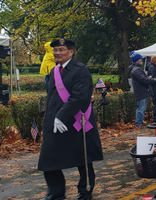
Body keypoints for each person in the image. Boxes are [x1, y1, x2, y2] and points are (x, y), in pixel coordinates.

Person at [38, 38, 103, 200]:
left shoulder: (80, 70)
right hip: (55, 122)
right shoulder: (54, 71)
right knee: (48, 157)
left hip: (76, 121)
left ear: (71, 52)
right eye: (55, 51)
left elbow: (80, 97)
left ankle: (85, 190)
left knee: (82, 157)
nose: (57, 53)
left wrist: (62, 116)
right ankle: (55, 192)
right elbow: (52, 97)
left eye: (61, 50)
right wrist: (50, 118)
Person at [129, 51, 156, 129]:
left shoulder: (135, 69)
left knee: (140, 108)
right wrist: (151, 80)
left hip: (140, 91)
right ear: (137, 60)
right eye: (140, 59)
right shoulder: (136, 70)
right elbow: (143, 80)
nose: (141, 60)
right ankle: (138, 124)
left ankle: (139, 123)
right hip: (141, 92)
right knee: (141, 109)